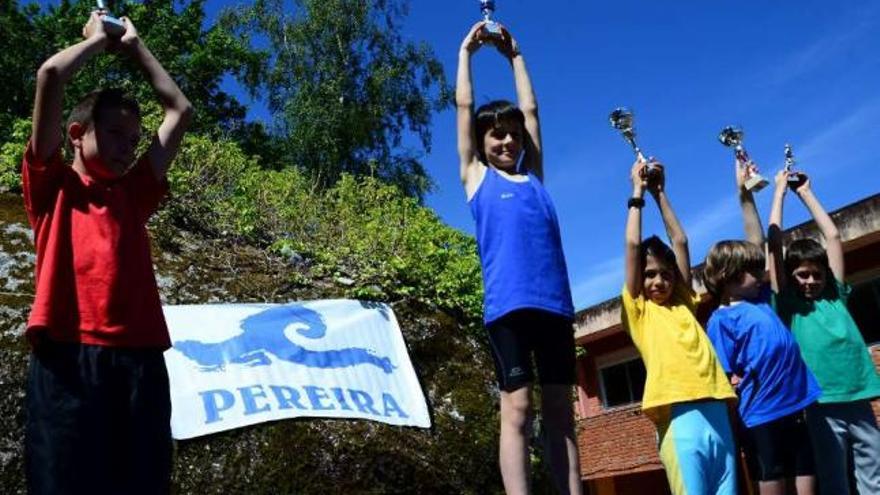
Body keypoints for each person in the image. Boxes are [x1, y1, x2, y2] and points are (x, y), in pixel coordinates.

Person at [23, 10, 192, 495]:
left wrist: (135, 45)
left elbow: (179, 111)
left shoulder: (133, 193)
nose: (128, 148)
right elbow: (51, 75)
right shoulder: (51, 185)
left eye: (135, 140)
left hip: (139, 361)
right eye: (116, 134)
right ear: (78, 135)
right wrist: (99, 40)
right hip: (67, 357)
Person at [456, 21, 582, 495]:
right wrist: (468, 52)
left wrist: (516, 57)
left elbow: (531, 108)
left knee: (560, 413)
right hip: (509, 308)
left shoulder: (536, 178)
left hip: (554, 306)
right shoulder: (476, 179)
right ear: (482, 143)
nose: (506, 141)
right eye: (495, 136)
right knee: (517, 408)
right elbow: (464, 107)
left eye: (512, 135)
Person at [703, 159, 821, 495]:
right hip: (761, 411)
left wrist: (745, 193)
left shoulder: (760, 299)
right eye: (754, 271)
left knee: (805, 466)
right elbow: (725, 372)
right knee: (772, 473)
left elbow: (759, 241)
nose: (762, 275)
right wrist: (731, 380)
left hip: (795, 401)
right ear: (728, 277)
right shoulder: (722, 319)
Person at [621, 157, 738, 494]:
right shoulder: (640, 310)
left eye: (666, 275)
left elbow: (681, 241)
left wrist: (660, 193)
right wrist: (637, 192)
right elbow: (631, 246)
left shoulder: (684, 303)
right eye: (649, 274)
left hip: (716, 408)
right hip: (679, 417)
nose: (659, 281)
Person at [768, 170, 880, 494]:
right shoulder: (788, 304)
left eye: (816, 274)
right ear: (792, 277)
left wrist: (806, 193)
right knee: (833, 478)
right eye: (802, 275)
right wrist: (779, 193)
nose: (810, 281)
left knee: (873, 474)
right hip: (820, 402)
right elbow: (774, 244)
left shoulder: (836, 297)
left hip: (858, 397)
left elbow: (832, 236)